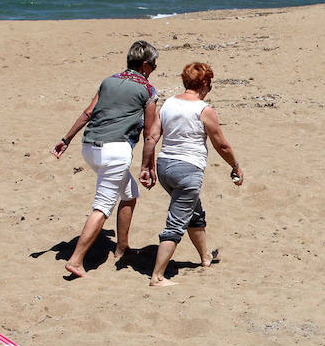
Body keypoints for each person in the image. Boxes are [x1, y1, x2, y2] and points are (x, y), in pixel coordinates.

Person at [52, 40, 159, 278]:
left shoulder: (108, 81)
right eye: (153, 65)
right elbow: (150, 134)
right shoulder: (148, 90)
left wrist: (66, 139)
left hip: (90, 148)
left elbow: (88, 112)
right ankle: (76, 260)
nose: (154, 69)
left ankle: (122, 248)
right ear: (144, 65)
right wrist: (146, 167)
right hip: (115, 152)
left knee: (130, 194)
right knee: (102, 206)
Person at [144, 62, 243, 287]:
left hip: (164, 167)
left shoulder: (168, 104)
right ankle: (157, 276)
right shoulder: (203, 109)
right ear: (204, 84)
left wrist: (145, 166)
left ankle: (205, 256)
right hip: (187, 170)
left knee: (194, 213)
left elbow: (152, 137)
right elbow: (222, 145)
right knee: (176, 223)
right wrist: (235, 166)